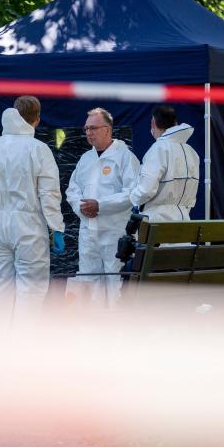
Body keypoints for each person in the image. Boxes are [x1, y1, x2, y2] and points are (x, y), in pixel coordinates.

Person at [0, 96, 65, 327]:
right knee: (31, 289)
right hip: (28, 226)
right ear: (36, 119)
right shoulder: (38, 149)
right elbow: (49, 194)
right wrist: (56, 227)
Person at [65, 108, 140, 309]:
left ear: (107, 129)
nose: (88, 132)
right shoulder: (85, 159)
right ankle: (91, 332)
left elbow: (132, 192)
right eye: (86, 128)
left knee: (115, 283)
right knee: (88, 282)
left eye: (93, 128)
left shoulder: (125, 157)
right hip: (88, 232)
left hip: (114, 233)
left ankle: (116, 331)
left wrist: (101, 206)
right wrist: (81, 208)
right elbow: (72, 190)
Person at [130, 106, 199, 221]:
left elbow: (146, 190)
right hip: (184, 220)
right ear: (176, 123)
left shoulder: (158, 149)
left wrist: (133, 198)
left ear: (153, 123)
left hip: (157, 221)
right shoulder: (191, 152)